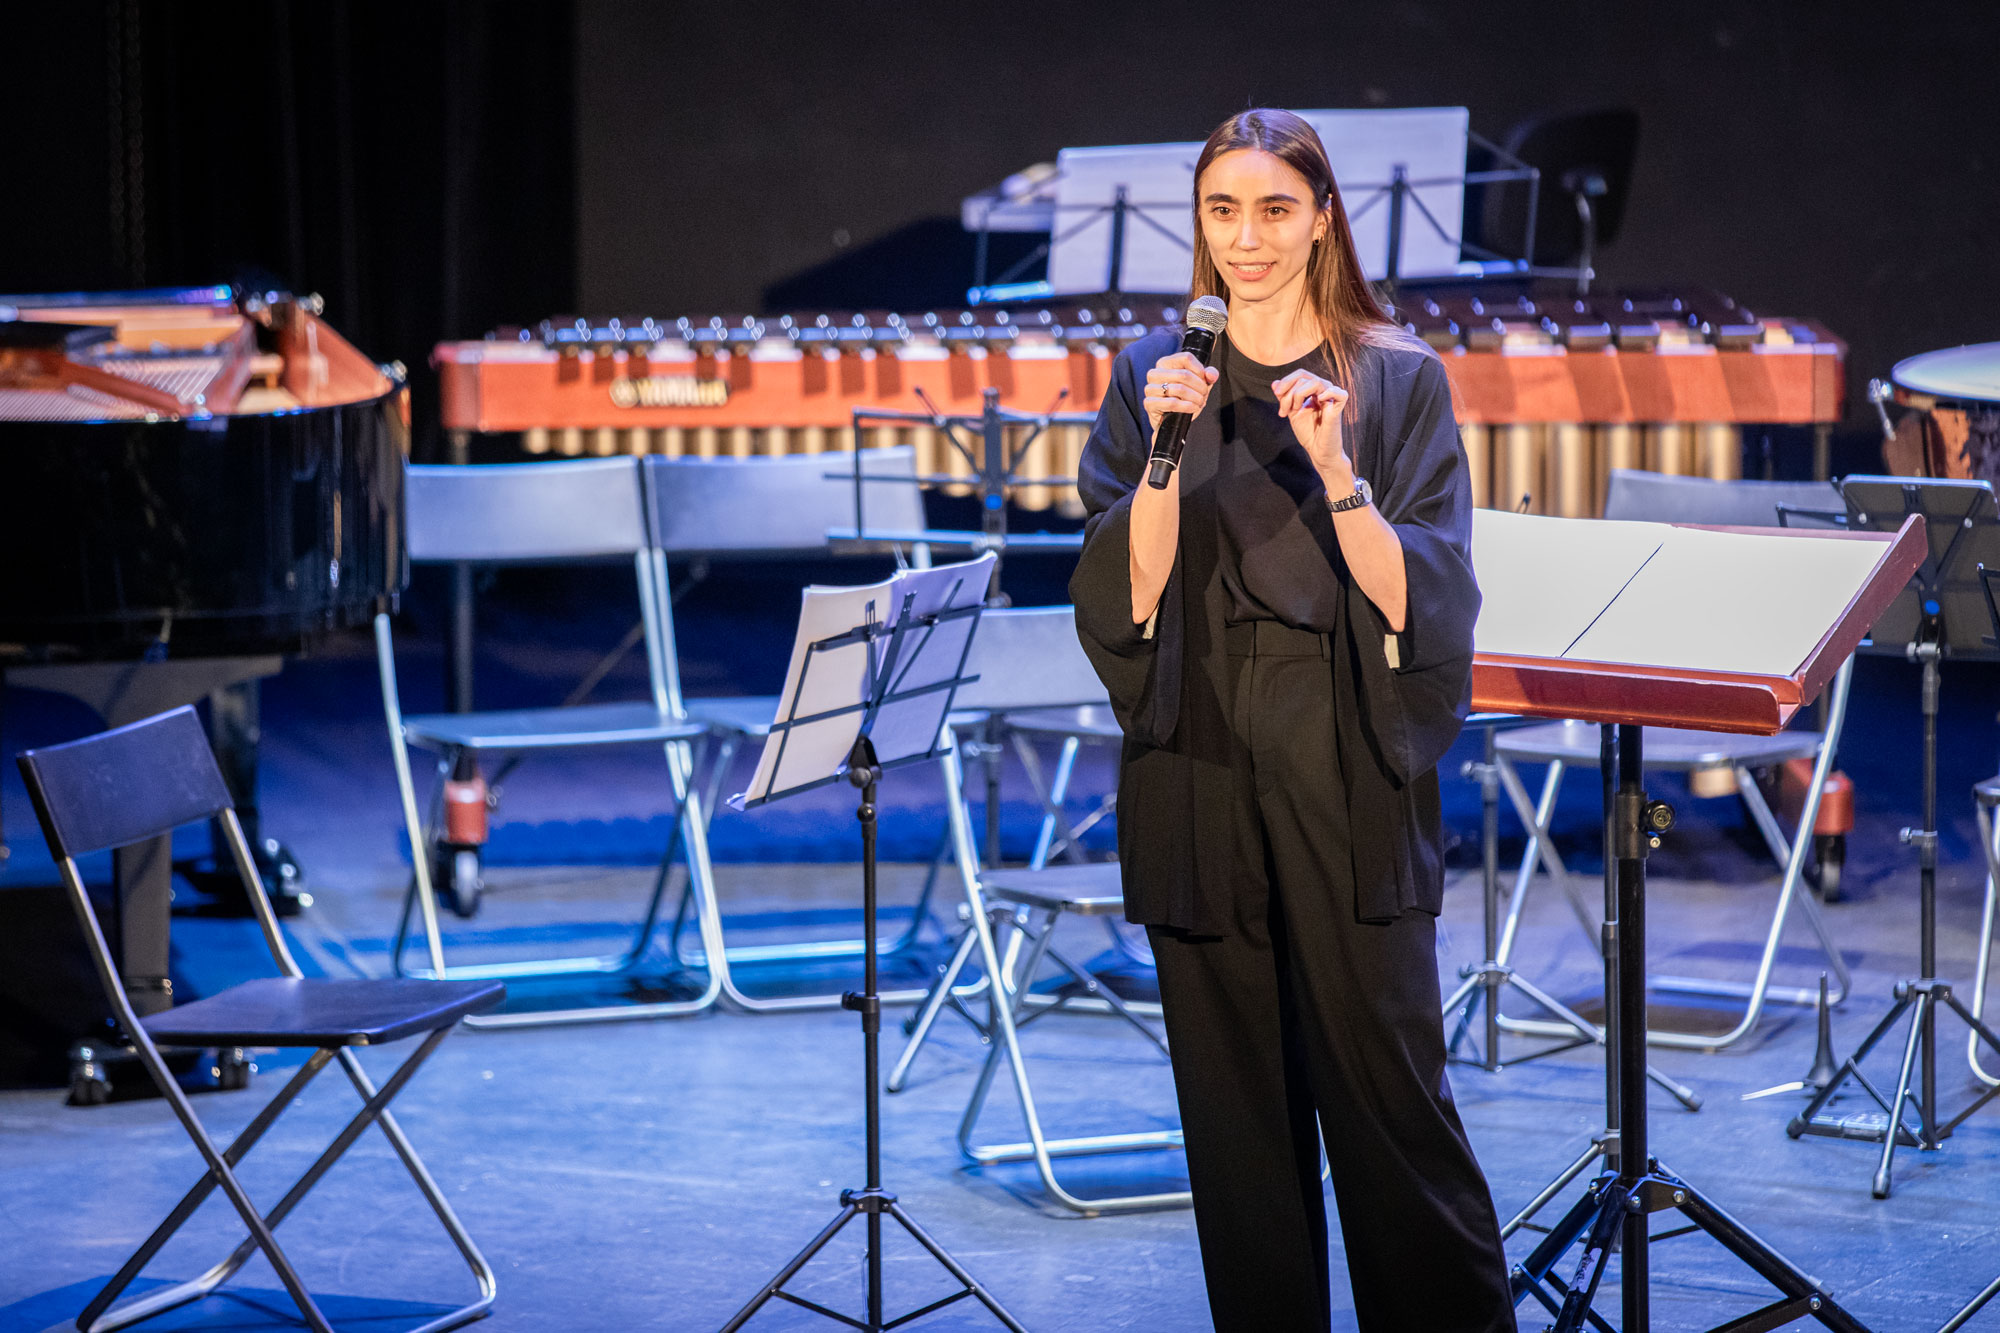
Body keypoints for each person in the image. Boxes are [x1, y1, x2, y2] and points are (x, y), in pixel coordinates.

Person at [1069, 107, 1516, 1332]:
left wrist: (1335, 473)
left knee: (1389, 1104)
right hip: (1198, 751)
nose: (1247, 238)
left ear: (1321, 216)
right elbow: (1125, 593)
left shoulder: (1395, 377)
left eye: (1274, 209)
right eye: (1222, 210)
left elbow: (1422, 599)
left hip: (1342, 749)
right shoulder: (1152, 374)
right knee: (1235, 1134)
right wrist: (1163, 451)